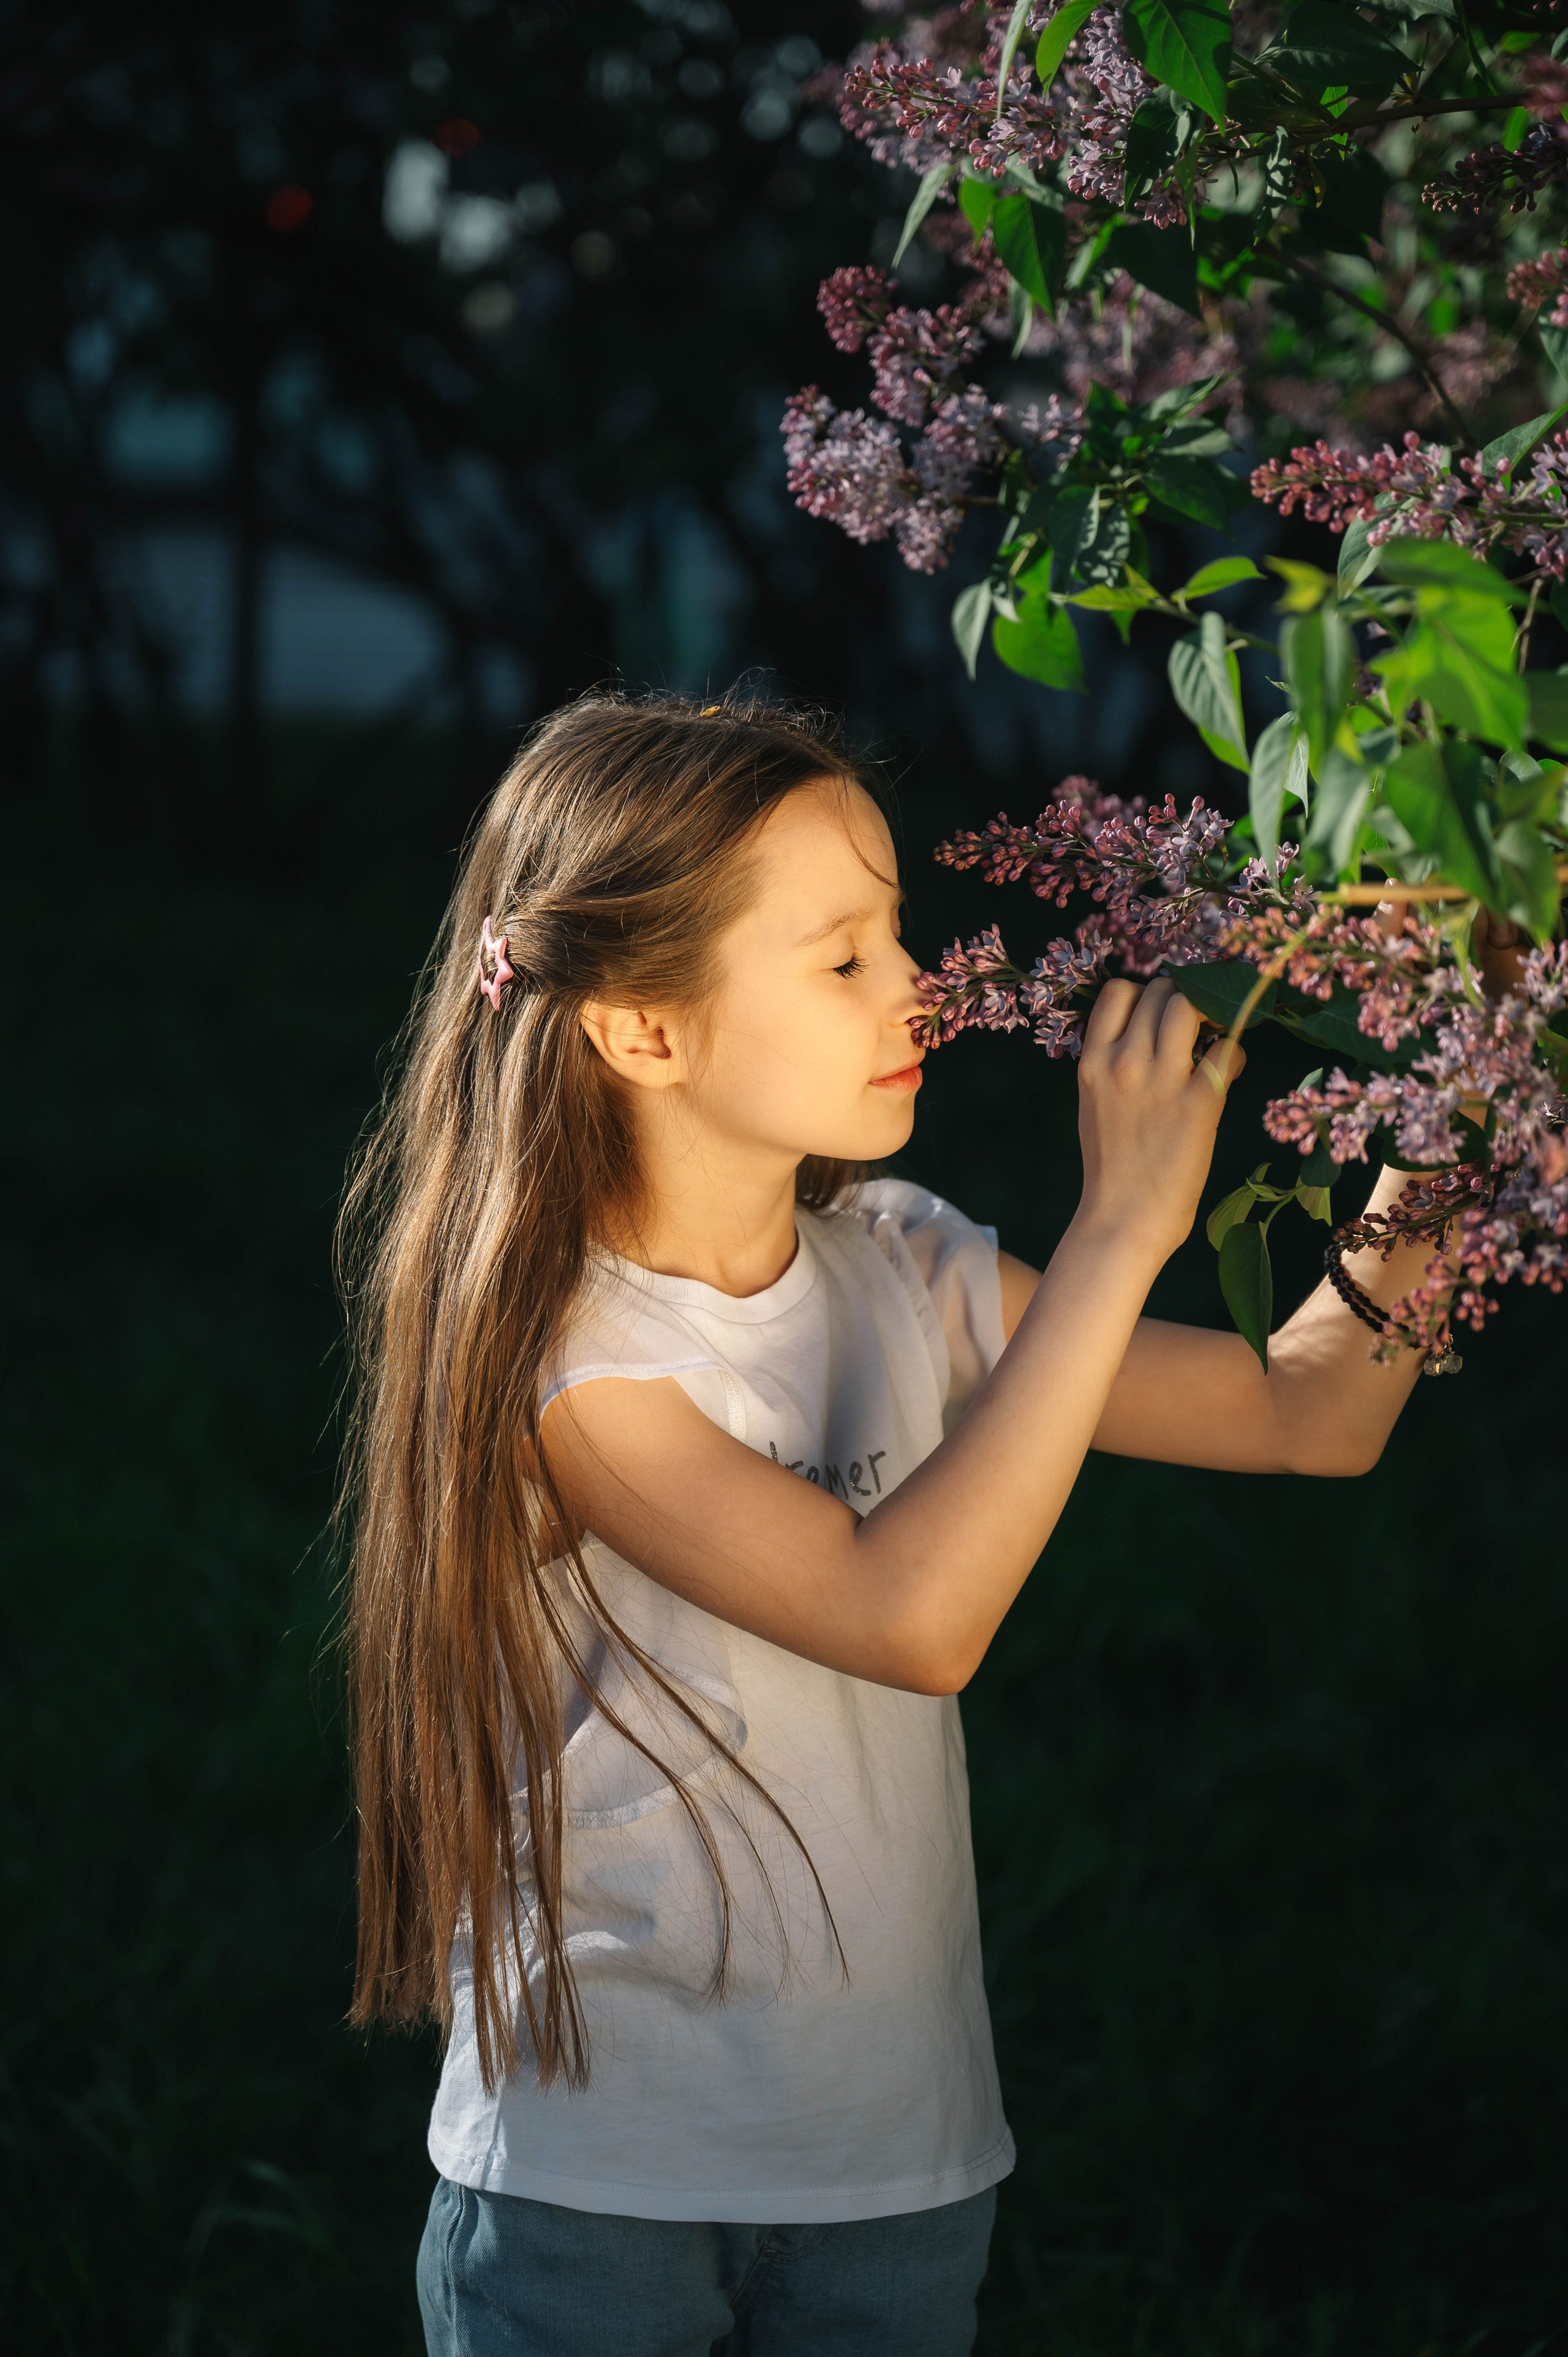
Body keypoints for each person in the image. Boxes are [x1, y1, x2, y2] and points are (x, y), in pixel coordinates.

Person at [338, 692, 1455, 2357]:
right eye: (842, 956)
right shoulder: (575, 1364)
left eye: (900, 934)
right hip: (598, 2197)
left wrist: (1464, 1113)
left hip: (900, 2176)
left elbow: (1315, 1410)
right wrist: (1117, 1235)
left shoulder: (907, 1265)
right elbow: (914, 1616)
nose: (916, 986)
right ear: (643, 1027)